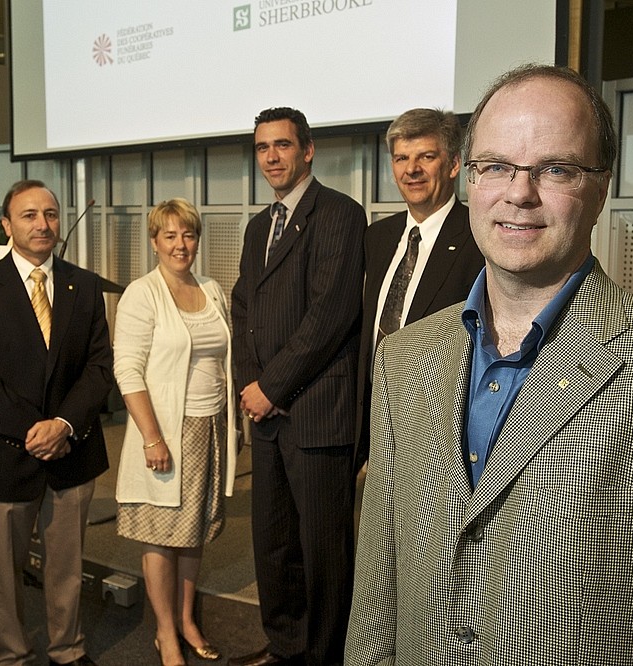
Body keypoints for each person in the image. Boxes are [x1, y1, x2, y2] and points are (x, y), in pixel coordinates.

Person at [344, 64, 633, 665]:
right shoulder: (403, 359)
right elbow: (378, 597)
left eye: (555, 169)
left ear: (601, 187)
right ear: (470, 178)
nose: (519, 192)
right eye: (496, 166)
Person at [0, 180, 112, 666]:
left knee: (66, 566)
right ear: (7, 226)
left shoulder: (83, 284)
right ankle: (12, 654)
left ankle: (67, 649)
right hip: (5, 452)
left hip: (72, 448)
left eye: (50, 214)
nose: (42, 224)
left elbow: (100, 366)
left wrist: (63, 424)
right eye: (28, 215)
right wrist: (35, 431)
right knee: (5, 572)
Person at [230, 107, 365, 666]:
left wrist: (271, 386)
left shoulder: (338, 213)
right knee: (274, 543)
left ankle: (323, 654)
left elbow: (329, 315)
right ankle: (285, 646)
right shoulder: (258, 225)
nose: (272, 157)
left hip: (315, 412)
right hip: (266, 413)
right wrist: (248, 385)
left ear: (307, 150)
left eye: (282, 145)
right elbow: (245, 310)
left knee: (323, 550)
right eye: (263, 148)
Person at [113, 198, 237, 666]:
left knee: (193, 532)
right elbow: (127, 370)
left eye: (187, 235)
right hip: (164, 431)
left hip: (209, 428)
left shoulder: (210, 288)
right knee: (161, 535)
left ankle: (186, 619)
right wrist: (151, 437)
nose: (180, 244)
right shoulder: (142, 294)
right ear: (154, 242)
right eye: (169, 236)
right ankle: (165, 633)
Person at [356, 108, 484, 471]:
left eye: (426, 157)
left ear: (454, 164)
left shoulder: (477, 238)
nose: (411, 169)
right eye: (401, 158)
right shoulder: (377, 237)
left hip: (438, 428)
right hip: (374, 416)